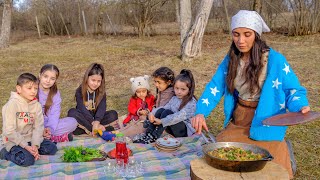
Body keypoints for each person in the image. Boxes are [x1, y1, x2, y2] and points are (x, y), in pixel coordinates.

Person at [191, 10, 310, 179]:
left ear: (256, 34)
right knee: (225, 157)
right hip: (239, 120)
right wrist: (200, 112)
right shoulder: (231, 59)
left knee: (270, 163)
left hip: (266, 123)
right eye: (236, 34)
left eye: (247, 34)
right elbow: (214, 87)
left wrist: (300, 106)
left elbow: (293, 90)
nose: (241, 40)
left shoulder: (275, 61)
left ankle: (285, 150)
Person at [0, 73, 57, 166]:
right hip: (14, 140)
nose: (33, 91)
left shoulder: (37, 105)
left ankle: (31, 151)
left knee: (51, 148)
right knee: (27, 160)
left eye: (35, 88)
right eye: (29, 88)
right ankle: (5, 153)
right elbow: (9, 131)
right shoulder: (11, 105)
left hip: (30, 139)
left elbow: (38, 127)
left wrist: (35, 146)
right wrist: (25, 146)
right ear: (19, 89)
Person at [134, 69, 197, 144]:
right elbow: (165, 107)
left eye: (183, 89)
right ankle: (148, 134)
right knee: (162, 111)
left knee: (167, 112)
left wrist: (162, 121)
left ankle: (154, 137)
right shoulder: (175, 98)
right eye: (176, 88)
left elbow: (178, 117)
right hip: (171, 125)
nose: (179, 92)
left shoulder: (191, 102)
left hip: (184, 131)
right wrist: (151, 114)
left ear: (189, 90)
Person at [68, 63, 118, 136]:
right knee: (72, 112)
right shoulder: (80, 91)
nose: (95, 84)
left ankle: (87, 130)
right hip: (85, 118)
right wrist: (93, 123)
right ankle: (98, 129)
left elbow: (102, 108)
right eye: (93, 80)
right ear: (87, 78)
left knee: (113, 114)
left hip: (97, 118)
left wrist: (97, 121)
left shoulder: (101, 92)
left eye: (98, 81)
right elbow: (81, 108)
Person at [38, 64, 78, 142]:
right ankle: (53, 137)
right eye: (45, 76)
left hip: (49, 124)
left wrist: (49, 129)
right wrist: (40, 129)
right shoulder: (32, 89)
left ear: (55, 80)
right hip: (34, 125)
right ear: (40, 75)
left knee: (73, 122)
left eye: (52, 78)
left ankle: (48, 136)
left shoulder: (55, 93)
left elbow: (54, 114)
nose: (48, 81)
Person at [143, 67, 175, 132]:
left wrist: (152, 114)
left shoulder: (169, 93)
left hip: (166, 119)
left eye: (159, 82)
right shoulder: (163, 90)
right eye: (155, 81)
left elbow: (163, 108)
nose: (156, 85)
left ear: (168, 82)